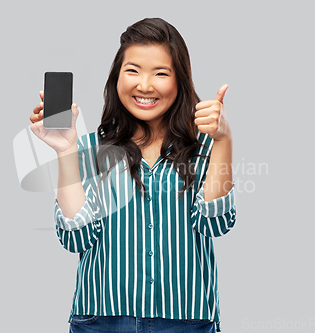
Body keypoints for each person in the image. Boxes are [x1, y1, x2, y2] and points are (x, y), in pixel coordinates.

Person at [30, 18, 236, 333]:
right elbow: (75, 238)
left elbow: (215, 223)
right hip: (101, 321)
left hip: (185, 320)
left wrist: (224, 141)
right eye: (133, 70)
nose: (144, 85)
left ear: (179, 81)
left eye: (161, 73)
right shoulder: (88, 149)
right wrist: (65, 150)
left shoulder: (205, 144)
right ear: (117, 79)